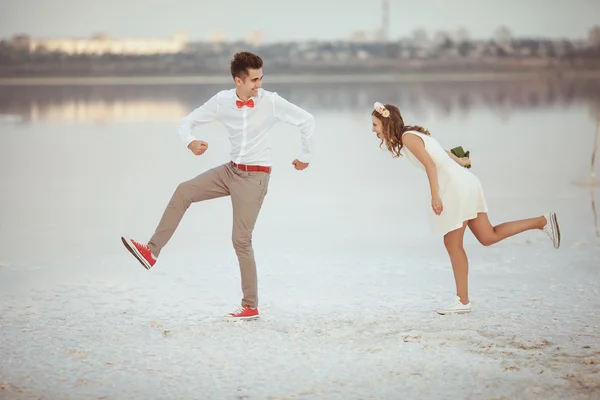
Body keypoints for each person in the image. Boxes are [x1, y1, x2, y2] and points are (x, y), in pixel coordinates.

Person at [121, 52, 315, 321]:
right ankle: (152, 252)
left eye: (261, 78)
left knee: (241, 240)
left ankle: (250, 306)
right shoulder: (222, 101)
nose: (259, 84)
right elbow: (185, 121)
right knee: (184, 190)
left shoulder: (271, 102)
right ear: (238, 80)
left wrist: (305, 157)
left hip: (255, 177)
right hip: (230, 170)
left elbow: (307, 120)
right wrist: (190, 141)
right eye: (254, 80)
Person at [370, 102, 560, 315]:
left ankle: (462, 301)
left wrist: (435, 195)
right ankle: (542, 222)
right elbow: (441, 153)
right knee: (488, 236)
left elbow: (431, 165)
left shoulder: (407, 138)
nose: (373, 130)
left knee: (452, 242)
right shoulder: (412, 135)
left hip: (455, 187)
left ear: (387, 123)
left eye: (375, 125)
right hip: (464, 182)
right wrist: (461, 160)